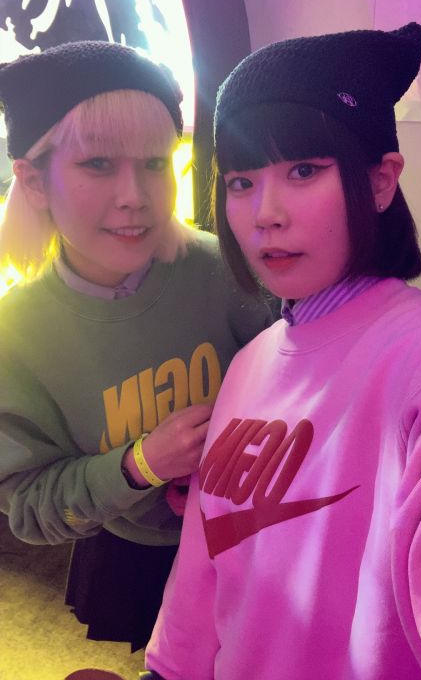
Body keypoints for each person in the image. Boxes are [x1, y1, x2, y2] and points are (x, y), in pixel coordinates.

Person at [145, 23, 421, 680]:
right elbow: (203, 572)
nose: (265, 214)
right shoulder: (252, 361)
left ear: (380, 182)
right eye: (241, 182)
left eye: (304, 171)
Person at [0, 40, 273, 652]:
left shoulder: (227, 269)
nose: (135, 195)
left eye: (154, 162)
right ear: (34, 180)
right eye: (99, 163)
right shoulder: (15, 334)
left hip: (255, 535)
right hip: (137, 554)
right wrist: (140, 464)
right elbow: (32, 507)